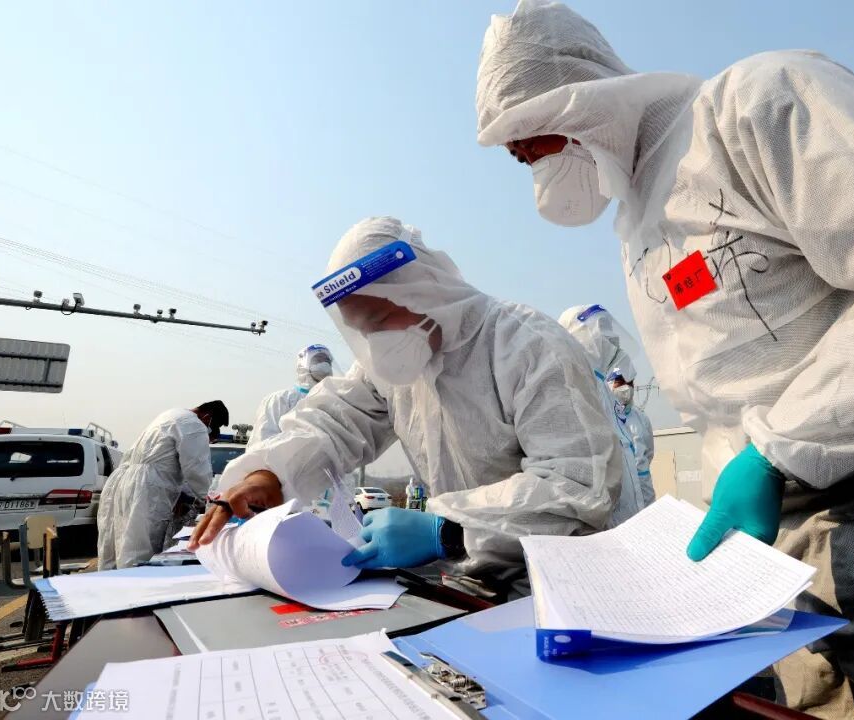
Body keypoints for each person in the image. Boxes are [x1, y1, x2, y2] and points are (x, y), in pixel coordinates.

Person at [474, 2, 854, 717]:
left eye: (526, 135)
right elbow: (730, 400)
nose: (521, 158)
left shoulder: (753, 107)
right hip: (796, 596)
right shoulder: (638, 226)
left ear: (576, 97)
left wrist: (781, 449)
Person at [191, 216, 622, 600]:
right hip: (474, 583)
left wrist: (448, 530)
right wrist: (267, 475)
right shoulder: (398, 367)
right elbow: (334, 421)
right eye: (362, 331)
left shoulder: (528, 346)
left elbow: (577, 488)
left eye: (379, 322)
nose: (376, 344)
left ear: (423, 290)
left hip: (566, 588)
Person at [97, 401, 228, 570]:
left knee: (116, 544)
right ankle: (137, 584)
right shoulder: (195, 425)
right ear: (207, 417)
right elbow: (197, 470)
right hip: (148, 487)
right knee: (139, 549)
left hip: (125, 481)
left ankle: (112, 583)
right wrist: (216, 503)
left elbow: (170, 462)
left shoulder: (171, 415)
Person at [558, 304, 650, 522]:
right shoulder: (567, 392)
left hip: (634, 524)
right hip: (598, 528)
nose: (610, 342)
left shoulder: (606, 396)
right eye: (601, 335)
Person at [249, 345, 337, 448]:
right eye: (318, 360)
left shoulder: (334, 404)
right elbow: (263, 443)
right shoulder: (280, 399)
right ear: (303, 366)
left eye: (327, 361)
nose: (324, 365)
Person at [607, 367, 655, 507]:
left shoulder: (642, 418)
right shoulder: (604, 417)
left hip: (645, 491)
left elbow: (649, 453)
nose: (626, 388)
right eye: (620, 383)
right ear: (609, 384)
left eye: (630, 383)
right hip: (620, 494)